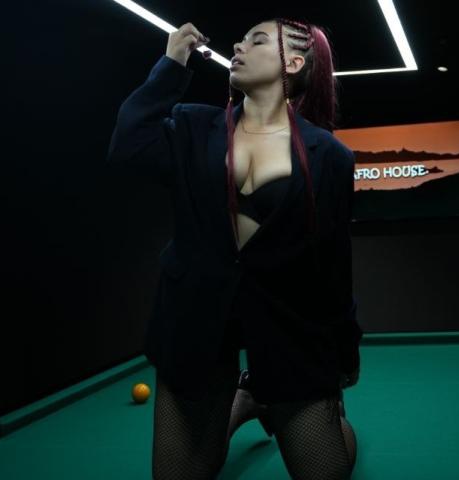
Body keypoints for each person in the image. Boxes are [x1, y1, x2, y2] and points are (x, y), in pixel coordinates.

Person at [107, 17, 363, 480]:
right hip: (193, 323)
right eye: (241, 39)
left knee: (326, 471)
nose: (239, 46)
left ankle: (318, 418)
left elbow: (333, 264)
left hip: (290, 333)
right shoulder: (192, 125)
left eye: (256, 40)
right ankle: (245, 400)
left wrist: (346, 350)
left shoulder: (330, 156)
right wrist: (171, 65)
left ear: (293, 62)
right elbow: (128, 147)